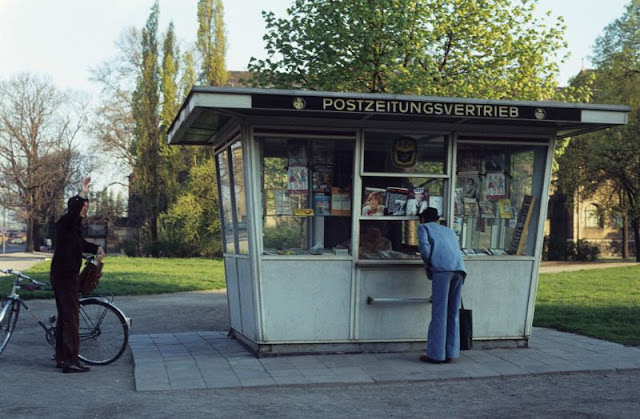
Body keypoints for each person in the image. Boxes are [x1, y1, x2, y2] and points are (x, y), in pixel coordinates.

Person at [50, 177, 104, 373]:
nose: (85, 210)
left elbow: (80, 245)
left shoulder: (73, 228)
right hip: (65, 275)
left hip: (63, 274)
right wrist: (83, 192)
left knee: (65, 316)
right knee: (71, 318)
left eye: (87, 207)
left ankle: (62, 357)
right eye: (83, 207)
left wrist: (96, 248)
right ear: (75, 207)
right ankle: (71, 362)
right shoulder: (65, 222)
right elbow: (73, 215)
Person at [417, 207, 466, 364]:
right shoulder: (449, 231)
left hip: (442, 270)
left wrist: (429, 269)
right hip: (459, 269)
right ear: (437, 219)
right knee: (453, 312)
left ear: (423, 219)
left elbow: (425, 249)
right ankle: (451, 352)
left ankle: (436, 354)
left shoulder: (423, 228)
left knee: (439, 312)